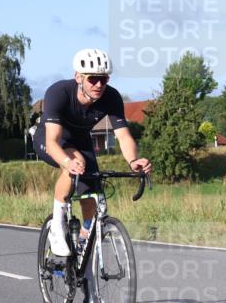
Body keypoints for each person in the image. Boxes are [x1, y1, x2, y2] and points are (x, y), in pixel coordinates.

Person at [34, 48, 152, 268]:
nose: (99, 84)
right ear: (79, 77)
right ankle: (58, 226)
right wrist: (68, 163)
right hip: (51, 139)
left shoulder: (111, 97)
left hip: (81, 140)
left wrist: (133, 161)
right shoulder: (59, 92)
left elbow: (123, 136)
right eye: (93, 79)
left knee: (94, 197)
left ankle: (83, 261)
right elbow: (53, 141)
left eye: (104, 79)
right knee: (75, 160)